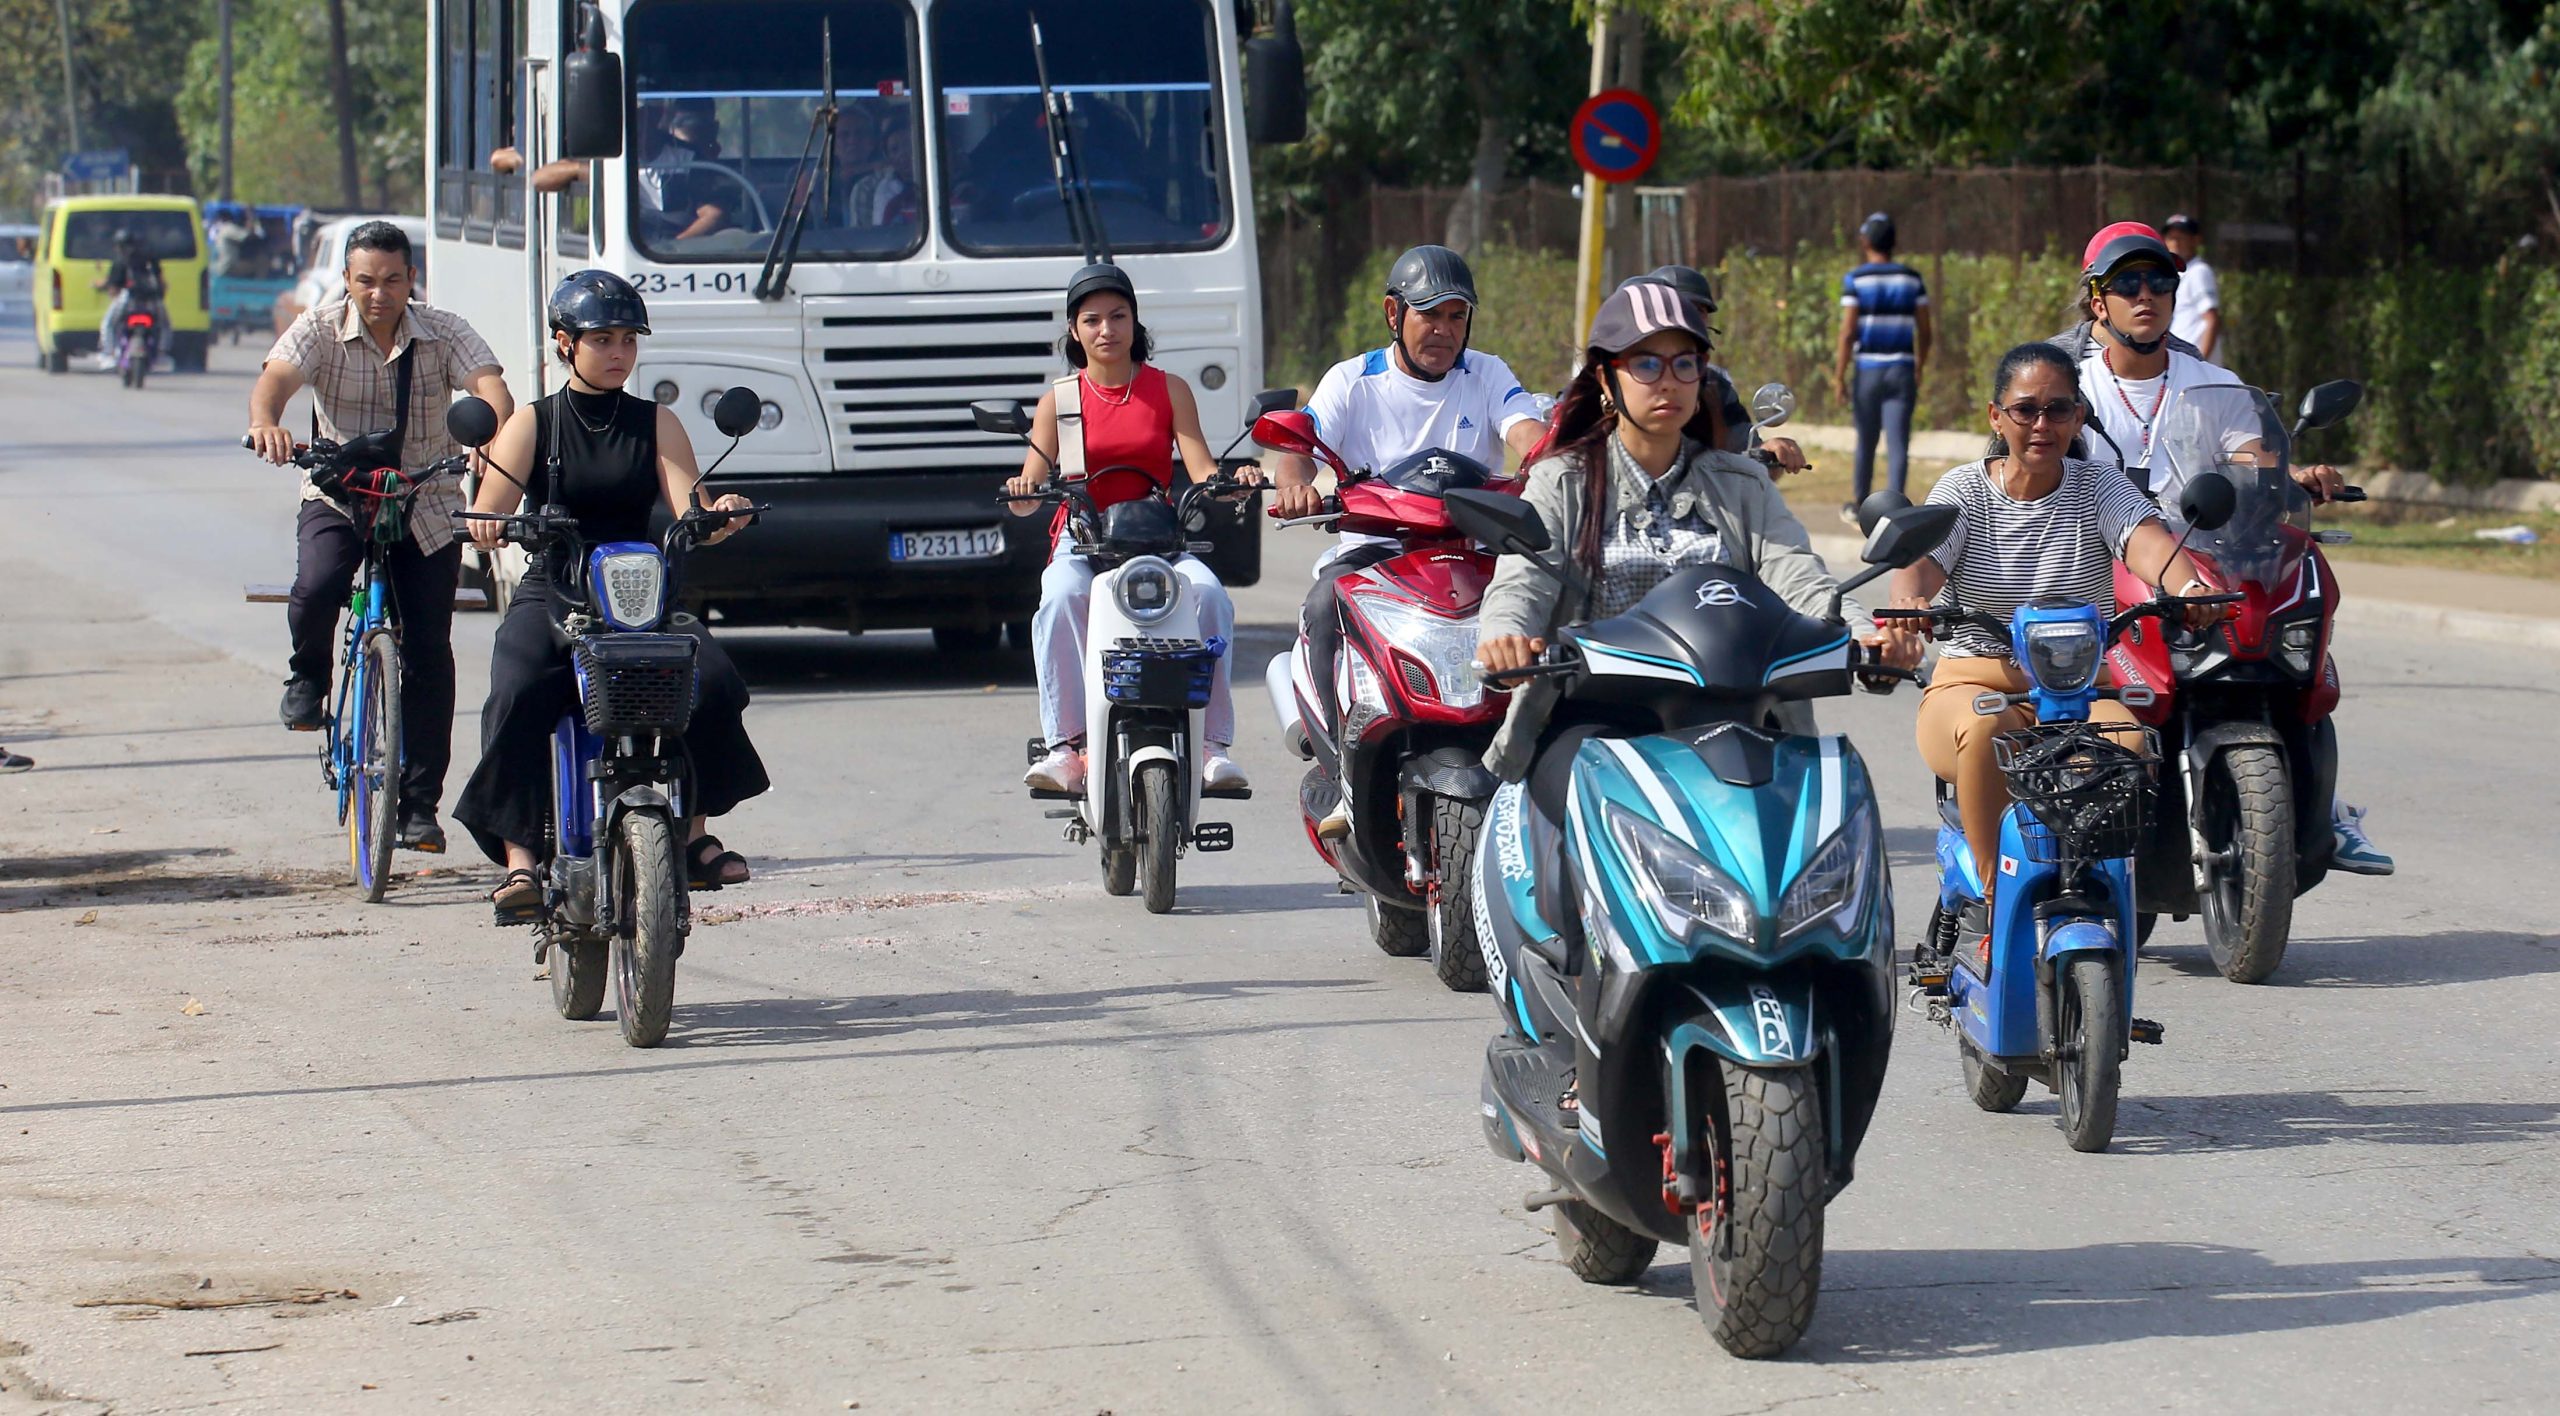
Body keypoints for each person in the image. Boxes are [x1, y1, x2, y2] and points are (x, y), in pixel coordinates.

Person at [1477, 281, 1914, 780]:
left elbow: (1798, 577)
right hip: (1598, 719)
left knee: (1826, 806)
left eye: (1685, 363)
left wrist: (1865, 637)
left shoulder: (1744, 483)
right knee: (1569, 805)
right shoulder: (1562, 481)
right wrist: (1505, 637)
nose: (1668, 382)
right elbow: (1523, 581)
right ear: (1605, 379)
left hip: (1740, 717)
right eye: (1646, 364)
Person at [2062, 221, 2391, 875]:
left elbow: (2251, 454)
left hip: (2202, 559)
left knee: (2290, 659)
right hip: (2102, 566)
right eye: (2128, 283)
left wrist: (2289, 476)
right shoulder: (2070, 390)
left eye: (2160, 281)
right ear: (2098, 301)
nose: (2146, 294)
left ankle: (2321, 808)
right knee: (2061, 694)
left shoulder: (2212, 380)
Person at [1877, 342, 2227, 942]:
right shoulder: (1963, 491)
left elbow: (2147, 543)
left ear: (2078, 417)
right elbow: (1920, 566)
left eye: (2058, 409)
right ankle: (1997, 905)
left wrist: (2189, 585)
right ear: (1996, 417)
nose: (2042, 424)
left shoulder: (2099, 486)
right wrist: (1911, 607)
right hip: (1973, 683)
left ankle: (2098, 889)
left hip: (2080, 691)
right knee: (1984, 732)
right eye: (2025, 410)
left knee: (2129, 746)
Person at [455, 272, 769, 922]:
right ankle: (520, 859)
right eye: (602, 339)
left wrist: (721, 515)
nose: (619, 352)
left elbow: (692, 508)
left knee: (711, 681)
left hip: (640, 587)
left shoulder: (656, 421)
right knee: (516, 687)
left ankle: (694, 835)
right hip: (556, 585)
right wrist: (489, 523)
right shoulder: (533, 421)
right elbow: (491, 510)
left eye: (629, 339)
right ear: (564, 343)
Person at [247, 221, 515, 855]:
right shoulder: (318, 328)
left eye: (393, 280)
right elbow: (274, 382)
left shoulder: (444, 330)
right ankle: (307, 679)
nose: (379, 293)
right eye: (365, 280)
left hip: (426, 501)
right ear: (346, 279)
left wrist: (491, 438)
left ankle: (419, 806)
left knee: (429, 652)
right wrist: (266, 424)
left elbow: (492, 390)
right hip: (339, 494)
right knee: (317, 584)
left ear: (411, 279)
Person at [1270, 245, 1548, 839]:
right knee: (1322, 604)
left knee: (1555, 605)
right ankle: (1339, 771)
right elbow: (1298, 446)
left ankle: (1547, 762)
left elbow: (1526, 431)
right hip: (1375, 552)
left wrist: (1555, 460)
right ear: (1394, 314)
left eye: (1456, 316)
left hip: (1472, 550)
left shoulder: (1487, 373)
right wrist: (1295, 485)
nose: (1444, 330)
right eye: (1430, 315)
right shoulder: (1352, 380)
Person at [1006, 263, 1259, 796]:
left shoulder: (1169, 389)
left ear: (1134, 321)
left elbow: (1203, 472)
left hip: (1157, 537)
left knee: (1211, 595)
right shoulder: (1059, 400)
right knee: (1060, 596)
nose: (1107, 330)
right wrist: (1022, 490)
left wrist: (1234, 484)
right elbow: (1030, 490)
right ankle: (1065, 747)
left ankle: (1212, 745)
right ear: (1074, 330)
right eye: (1092, 320)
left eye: (1118, 316)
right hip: (1085, 537)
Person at [1619, 264, 1810, 474]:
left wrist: (1768, 452)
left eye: (1698, 311)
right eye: (1646, 366)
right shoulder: (1614, 384)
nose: (1668, 385)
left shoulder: (1715, 386)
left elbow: (1742, 447)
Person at [1832, 212, 1931, 523]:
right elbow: (1926, 331)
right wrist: (1919, 365)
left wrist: (1839, 376)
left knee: (1867, 439)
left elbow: (1848, 332)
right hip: (1901, 368)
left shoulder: (1856, 279)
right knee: (1898, 443)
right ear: (1894, 242)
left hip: (1868, 370)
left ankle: (1860, 504)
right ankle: (1896, 508)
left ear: (1865, 242)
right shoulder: (1911, 278)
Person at [93, 229, 166, 369]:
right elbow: (161, 282)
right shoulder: (148, 259)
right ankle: (162, 352)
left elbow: (113, 286)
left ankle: (109, 353)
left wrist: (101, 287)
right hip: (151, 300)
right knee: (164, 324)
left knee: (108, 324)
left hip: (128, 300)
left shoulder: (121, 261)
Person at [2162, 213, 2223, 365]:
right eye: (2171, 238)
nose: (2175, 243)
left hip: (2193, 364)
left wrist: (2201, 364)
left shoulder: (2199, 271)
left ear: (2196, 240)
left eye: (2181, 237)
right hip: (2182, 362)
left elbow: (2212, 320)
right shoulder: (2180, 274)